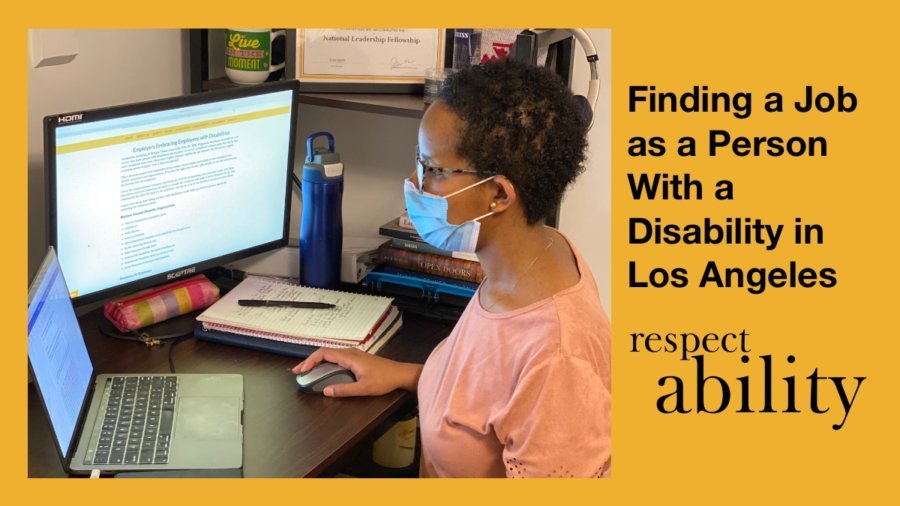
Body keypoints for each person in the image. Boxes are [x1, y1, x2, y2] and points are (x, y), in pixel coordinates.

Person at [293, 59, 611, 478]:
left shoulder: (557, 356)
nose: (415, 181)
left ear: (497, 194)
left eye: (434, 170)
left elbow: (537, 393)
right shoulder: (536, 256)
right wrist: (408, 375)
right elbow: (493, 390)